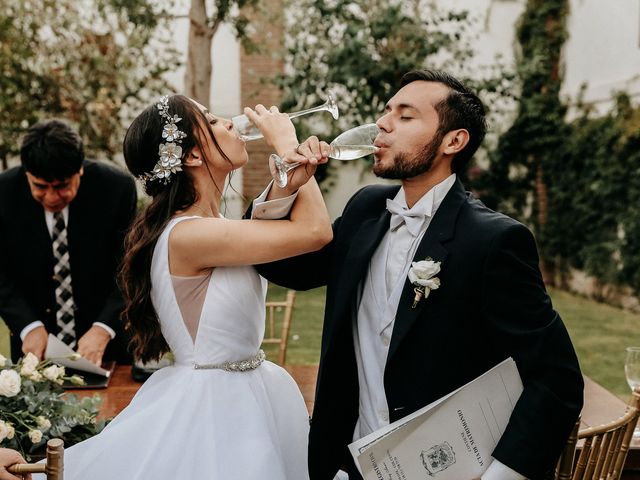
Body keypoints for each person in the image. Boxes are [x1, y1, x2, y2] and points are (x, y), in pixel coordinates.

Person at [252, 70, 584, 480]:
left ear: (453, 141)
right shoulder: (365, 211)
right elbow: (283, 265)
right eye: (386, 111)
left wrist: (498, 476)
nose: (383, 124)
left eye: (405, 117)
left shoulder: (495, 241)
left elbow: (556, 379)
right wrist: (287, 186)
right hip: (344, 464)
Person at [39, 94, 332, 480]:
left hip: (249, 394)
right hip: (215, 409)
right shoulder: (189, 236)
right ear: (192, 156)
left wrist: (289, 177)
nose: (230, 123)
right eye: (212, 122)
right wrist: (286, 146)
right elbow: (315, 232)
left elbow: (268, 222)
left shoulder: (203, 229)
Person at [0, 119, 137, 365]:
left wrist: (103, 328)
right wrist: (28, 326)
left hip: (109, 350)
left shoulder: (116, 189)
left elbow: (129, 268)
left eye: (62, 186)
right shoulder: (4, 194)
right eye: (40, 186)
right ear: (27, 173)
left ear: (80, 170)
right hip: (35, 352)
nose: (52, 197)